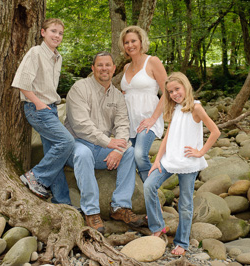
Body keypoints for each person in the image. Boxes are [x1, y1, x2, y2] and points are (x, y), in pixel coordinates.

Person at [64, 51, 145, 234]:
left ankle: (120, 207)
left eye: (108, 65)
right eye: (100, 65)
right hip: (77, 145)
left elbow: (123, 125)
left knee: (129, 153)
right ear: (93, 68)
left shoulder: (117, 96)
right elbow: (80, 125)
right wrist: (109, 143)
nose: (104, 69)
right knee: (83, 154)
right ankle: (91, 211)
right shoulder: (79, 88)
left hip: (102, 149)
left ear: (114, 69)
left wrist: (119, 149)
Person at [144, 72, 220, 256]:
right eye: (170, 91)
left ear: (186, 87)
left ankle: (182, 242)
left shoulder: (196, 107)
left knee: (185, 204)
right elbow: (167, 137)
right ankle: (158, 227)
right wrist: (157, 161)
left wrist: (200, 152)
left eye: (177, 89)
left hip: (188, 163)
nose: (174, 94)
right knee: (148, 186)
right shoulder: (176, 108)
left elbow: (215, 131)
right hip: (170, 160)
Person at [11, 18, 74, 205]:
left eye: (60, 33)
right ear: (43, 32)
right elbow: (22, 84)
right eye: (53, 31)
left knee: (54, 157)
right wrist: (38, 104)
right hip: (38, 109)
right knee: (66, 141)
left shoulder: (57, 57)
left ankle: (62, 202)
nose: (57, 36)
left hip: (51, 109)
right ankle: (35, 176)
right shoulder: (36, 52)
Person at [118, 26, 167, 182]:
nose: (130, 45)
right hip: (129, 121)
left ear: (141, 42)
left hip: (147, 118)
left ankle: (152, 192)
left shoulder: (152, 61)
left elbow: (167, 92)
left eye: (134, 41)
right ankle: (136, 196)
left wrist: (153, 119)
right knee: (129, 157)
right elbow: (127, 94)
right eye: (127, 42)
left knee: (140, 155)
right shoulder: (126, 67)